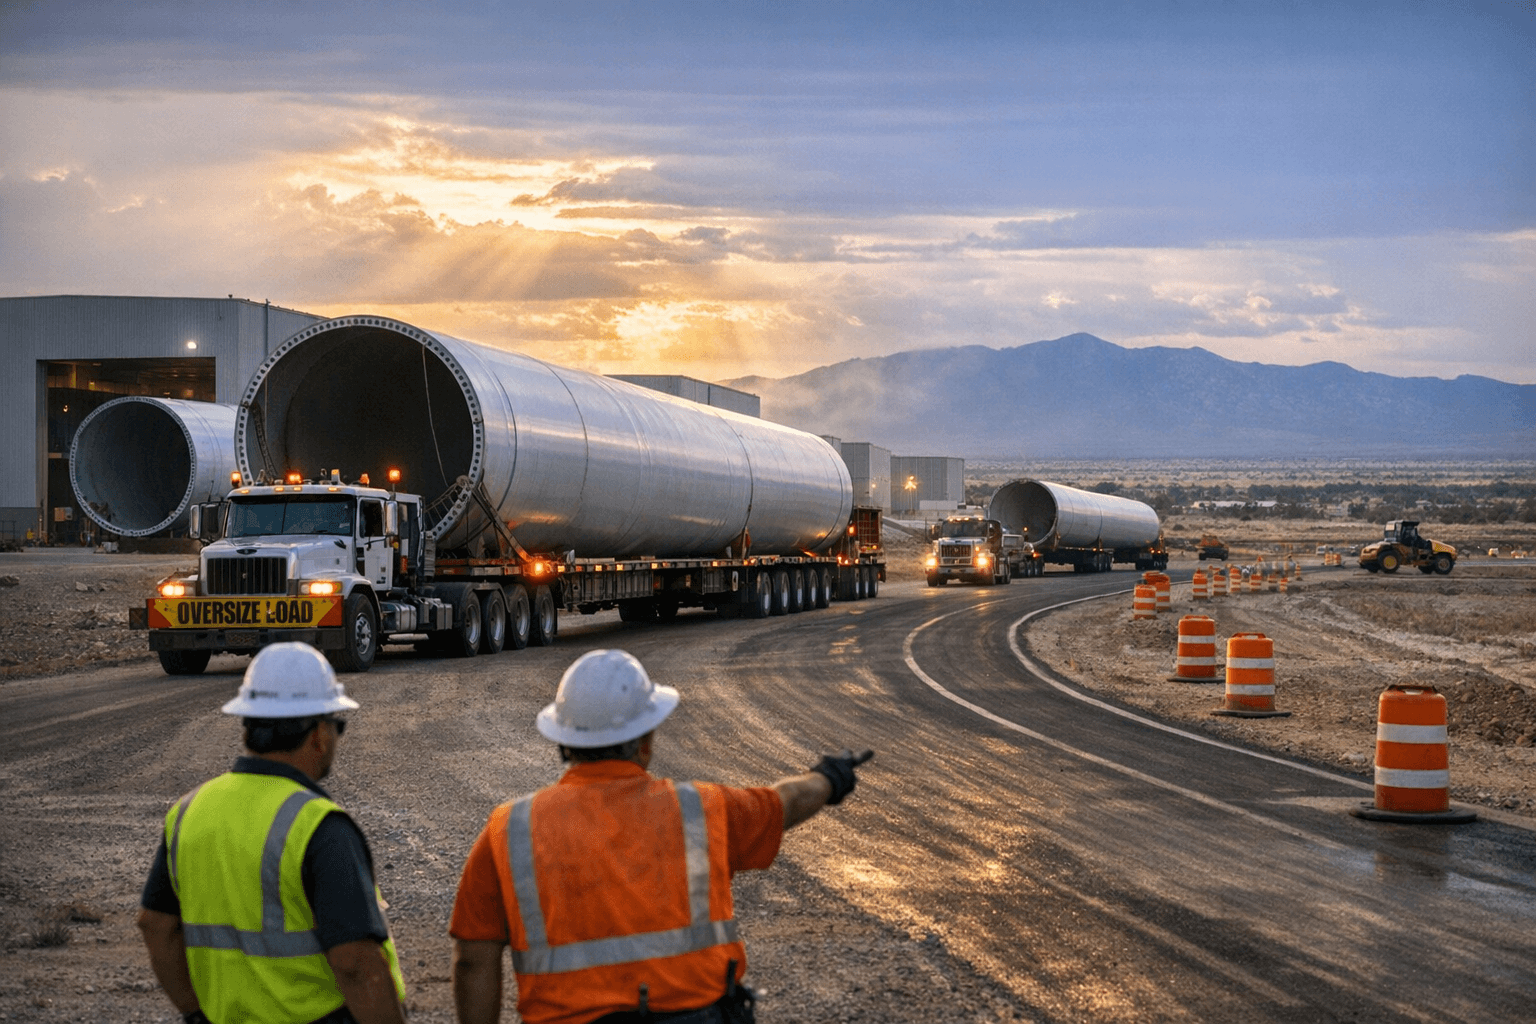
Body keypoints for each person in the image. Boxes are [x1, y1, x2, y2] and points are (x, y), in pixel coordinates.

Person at [450, 649, 872, 1024]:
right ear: (646, 741)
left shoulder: (509, 829)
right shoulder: (701, 810)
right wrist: (830, 778)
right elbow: (785, 803)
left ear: (564, 743)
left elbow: (473, 960)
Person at [136, 642, 408, 1024]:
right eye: (337, 725)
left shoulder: (189, 810)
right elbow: (355, 964)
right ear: (318, 734)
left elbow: (156, 927)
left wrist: (196, 1014)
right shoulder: (319, 827)